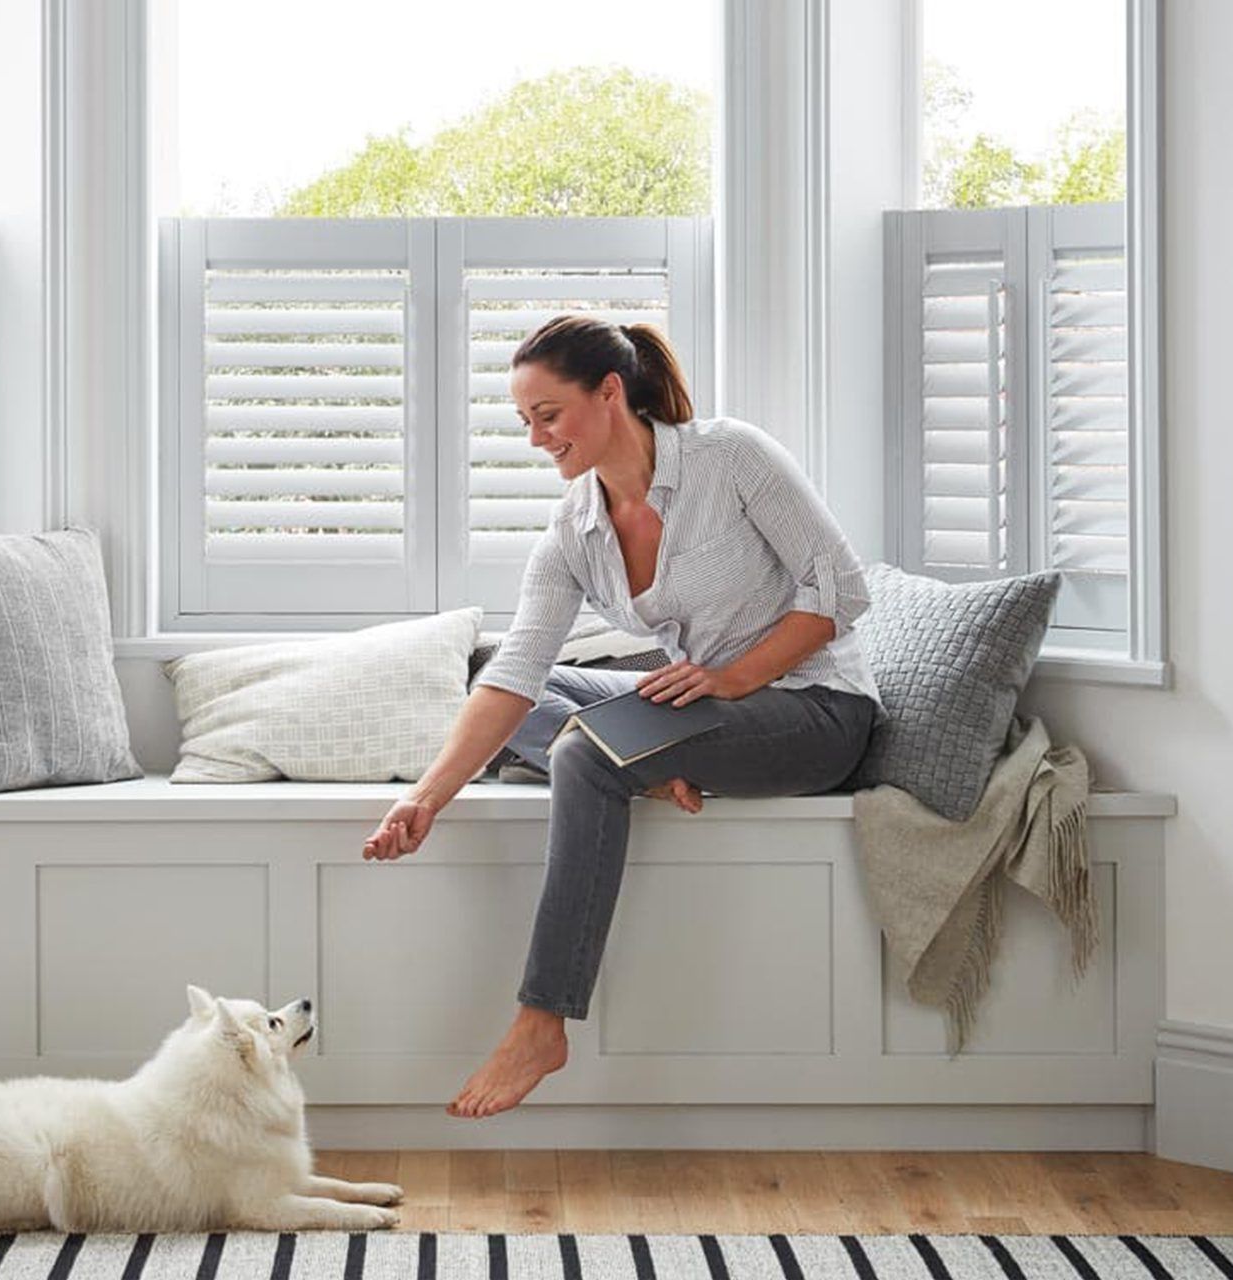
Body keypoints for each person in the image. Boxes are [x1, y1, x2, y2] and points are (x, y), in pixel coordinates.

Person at [360, 315, 884, 1119]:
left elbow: (841, 591)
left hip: (812, 711)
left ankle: (543, 1020)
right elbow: (517, 673)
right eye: (525, 421)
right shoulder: (576, 528)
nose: (537, 439)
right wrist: (424, 798)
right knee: (502, 682)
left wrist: (734, 678)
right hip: (697, 708)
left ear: (610, 393)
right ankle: (658, 762)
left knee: (583, 755)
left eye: (549, 415)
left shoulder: (729, 457)